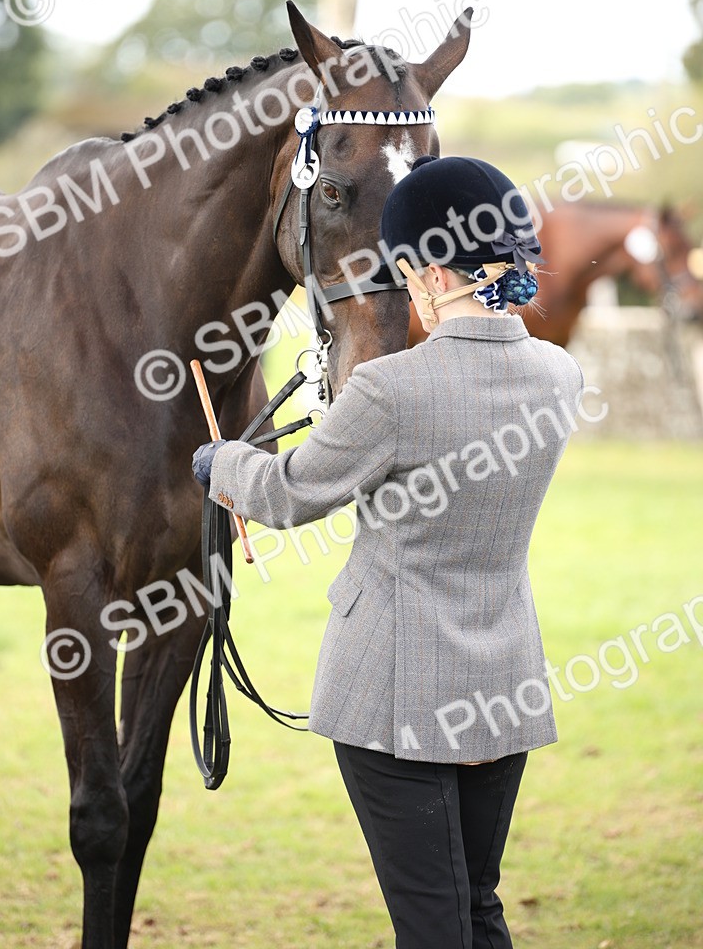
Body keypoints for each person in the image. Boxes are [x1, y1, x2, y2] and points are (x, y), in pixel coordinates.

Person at [192, 155, 583, 949]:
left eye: (408, 276)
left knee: (431, 926)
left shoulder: (388, 392)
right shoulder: (559, 375)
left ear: (436, 274)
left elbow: (289, 494)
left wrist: (218, 463)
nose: (407, 295)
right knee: (477, 907)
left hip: (394, 698)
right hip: (502, 681)